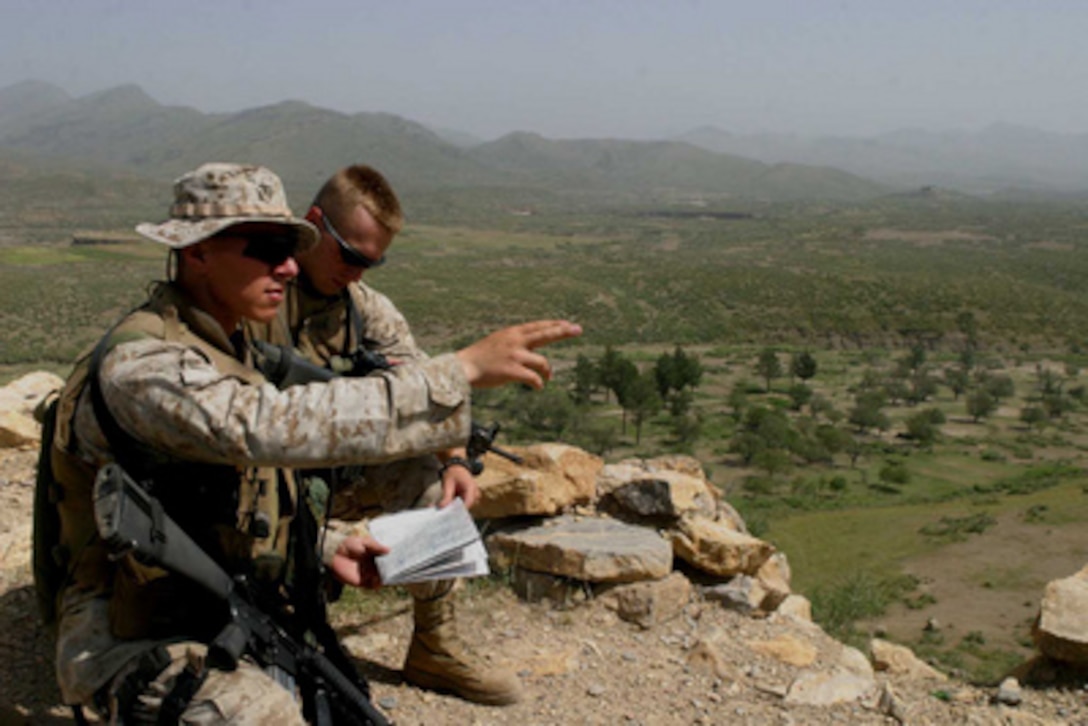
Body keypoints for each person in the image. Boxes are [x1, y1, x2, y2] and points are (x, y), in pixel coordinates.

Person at [46, 162, 581, 723]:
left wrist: (322, 552)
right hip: (131, 621)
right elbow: (260, 427)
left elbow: (218, 499)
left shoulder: (228, 338)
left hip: (212, 584)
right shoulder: (145, 365)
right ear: (198, 251)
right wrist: (459, 371)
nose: (287, 265)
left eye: (291, 248)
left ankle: (436, 647)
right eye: (268, 246)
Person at [247, 164, 519, 705]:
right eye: (350, 256)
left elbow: (423, 388)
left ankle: (435, 648)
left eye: (372, 262)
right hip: (260, 480)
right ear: (314, 223)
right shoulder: (259, 297)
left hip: (335, 476)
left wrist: (455, 462)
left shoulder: (365, 310)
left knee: (430, 478)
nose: (358, 273)